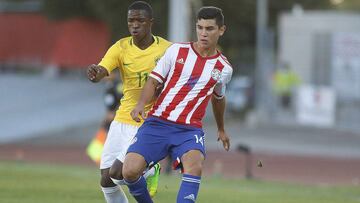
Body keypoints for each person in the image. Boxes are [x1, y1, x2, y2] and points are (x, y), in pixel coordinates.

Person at [122, 6, 232, 203]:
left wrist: (221, 129)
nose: (203, 33)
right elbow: (153, 80)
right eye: (200, 28)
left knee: (195, 165)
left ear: (221, 30)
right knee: (129, 171)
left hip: (189, 130)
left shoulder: (223, 68)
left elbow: (218, 98)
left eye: (209, 29)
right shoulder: (176, 50)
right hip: (158, 122)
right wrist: (140, 104)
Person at [86, 1, 171, 203]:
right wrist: (95, 74)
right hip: (123, 118)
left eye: (140, 20)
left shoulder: (168, 49)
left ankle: (149, 169)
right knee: (106, 181)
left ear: (150, 22)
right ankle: (147, 170)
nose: (134, 25)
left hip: (148, 121)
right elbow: (102, 70)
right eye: (131, 20)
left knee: (118, 173)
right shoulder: (121, 47)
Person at [86, 73, 123, 165]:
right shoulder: (115, 85)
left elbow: (113, 108)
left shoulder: (114, 87)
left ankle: (103, 161)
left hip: (117, 119)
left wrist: (110, 116)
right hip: (118, 118)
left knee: (106, 142)